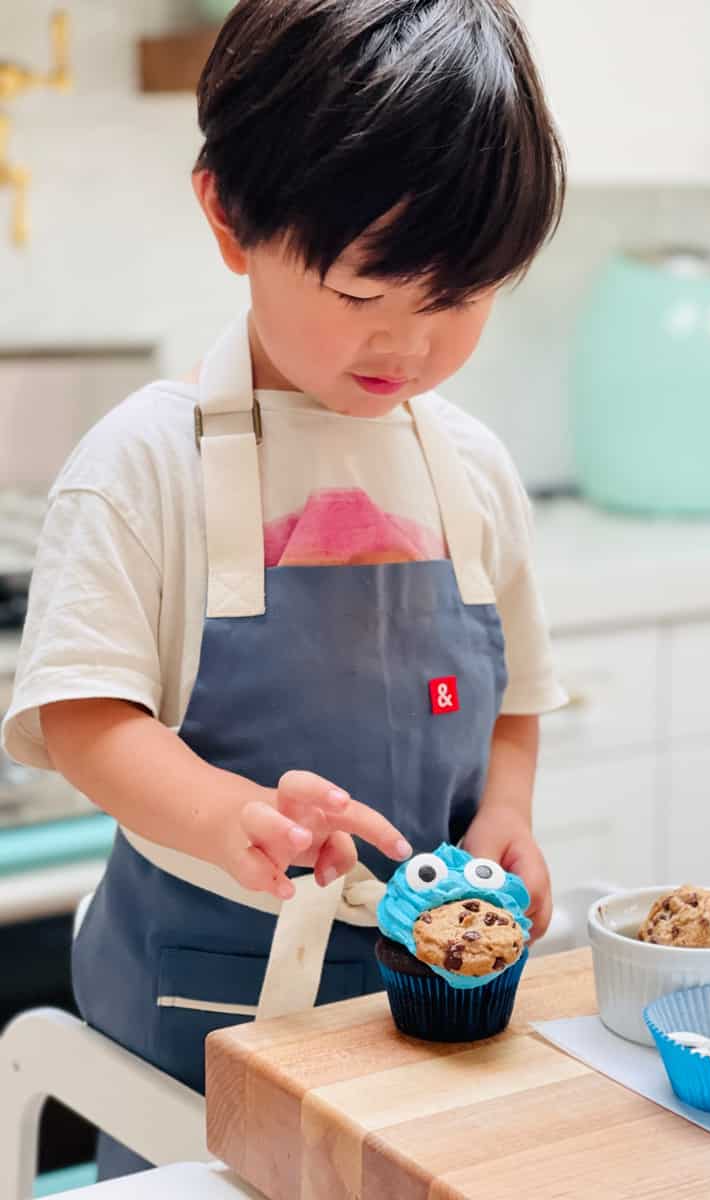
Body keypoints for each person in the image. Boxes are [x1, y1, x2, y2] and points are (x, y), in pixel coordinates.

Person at [1, 0, 567, 1179]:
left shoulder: (469, 465)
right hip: (201, 1001)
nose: (407, 347)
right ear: (228, 217)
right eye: (364, 293)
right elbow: (82, 718)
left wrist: (506, 812)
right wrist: (225, 817)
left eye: (456, 302)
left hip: (431, 1008)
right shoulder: (142, 462)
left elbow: (516, 693)